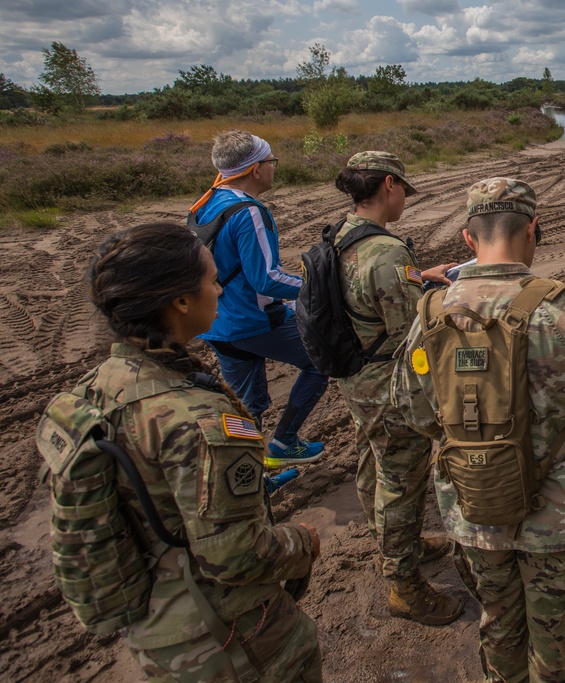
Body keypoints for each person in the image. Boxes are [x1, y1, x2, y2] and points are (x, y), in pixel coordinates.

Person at [393, 178, 565, 681]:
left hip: (474, 508)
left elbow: (414, 416)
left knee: (499, 623)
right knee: (558, 634)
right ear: (533, 228)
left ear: (467, 238)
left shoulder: (431, 314)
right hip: (560, 519)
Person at [83, 222, 322, 681]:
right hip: (226, 639)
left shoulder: (95, 391)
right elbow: (236, 555)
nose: (219, 290)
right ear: (181, 301)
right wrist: (302, 542)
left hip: (154, 626)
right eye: (214, 280)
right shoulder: (198, 419)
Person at [332, 150, 462, 625]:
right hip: (387, 385)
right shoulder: (386, 252)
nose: (406, 198)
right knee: (402, 483)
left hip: (356, 376)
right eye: (404, 188)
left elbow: (365, 298)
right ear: (389, 184)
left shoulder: (343, 235)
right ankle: (405, 587)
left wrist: (420, 280)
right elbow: (412, 332)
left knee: (376, 463)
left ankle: (391, 540)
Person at [190, 129, 328, 468]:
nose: (273, 168)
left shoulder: (205, 203)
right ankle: (284, 442)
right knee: (320, 360)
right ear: (256, 169)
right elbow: (265, 279)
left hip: (217, 323)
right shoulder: (249, 212)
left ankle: (247, 474)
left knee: (247, 404)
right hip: (252, 322)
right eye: (271, 162)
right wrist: (317, 288)